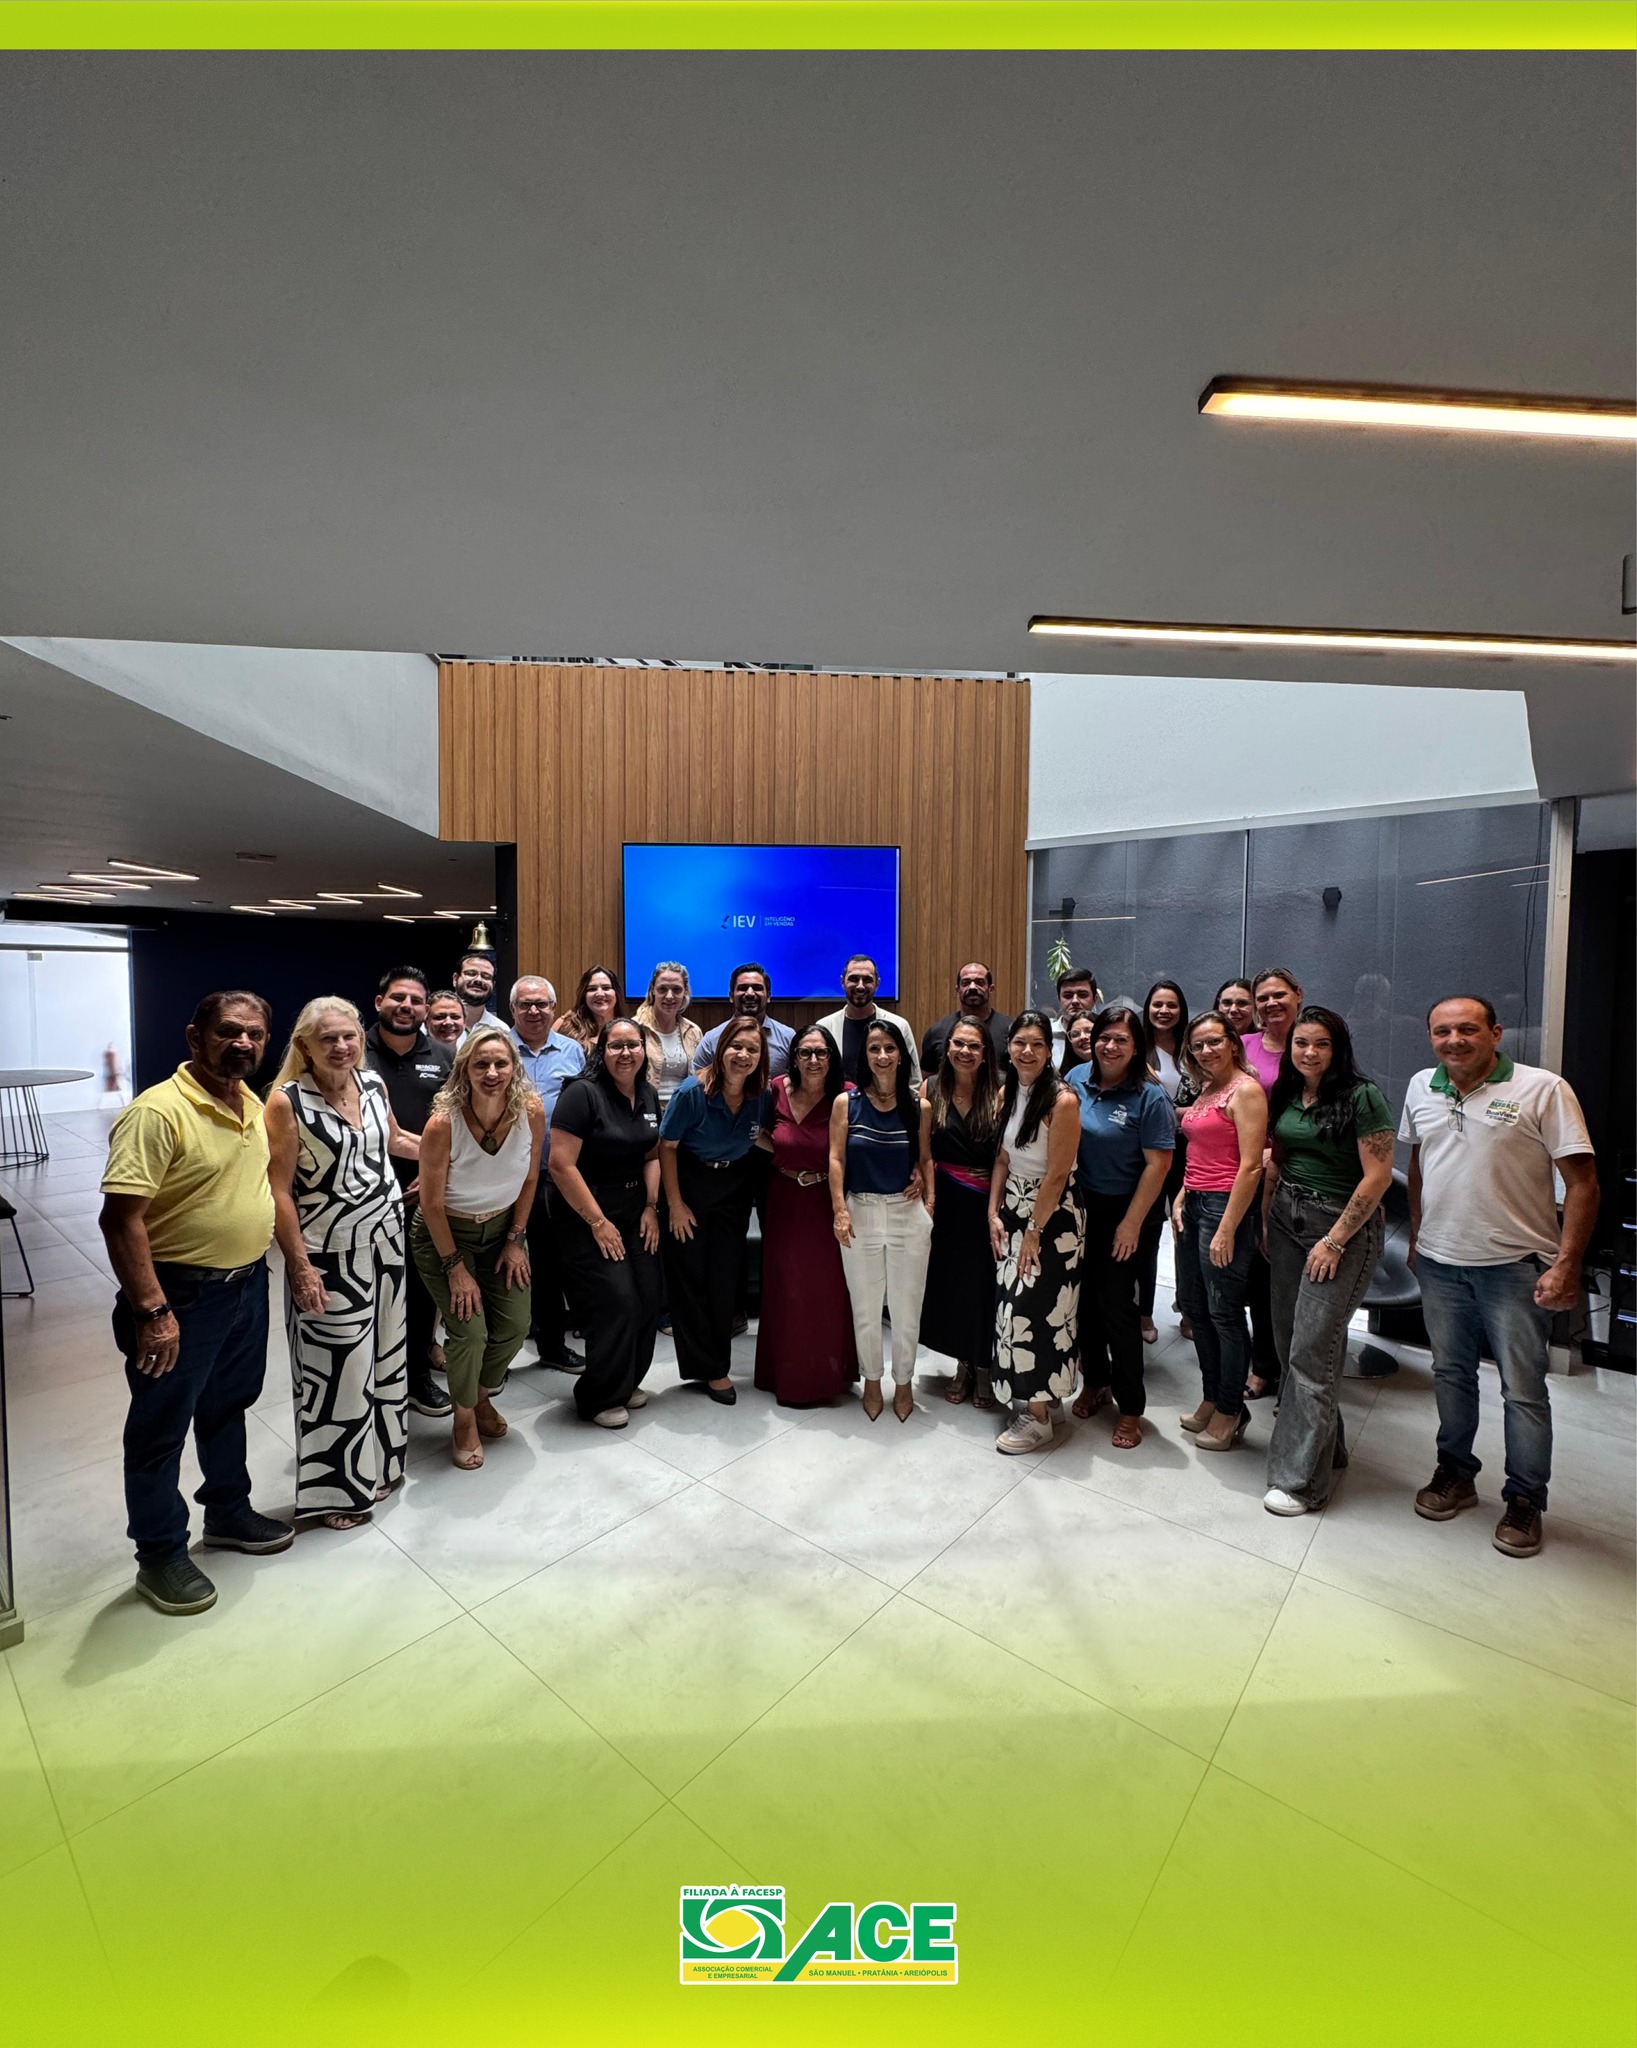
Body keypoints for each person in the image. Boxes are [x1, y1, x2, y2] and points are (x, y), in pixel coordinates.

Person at [98, 991, 293, 1616]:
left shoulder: (252, 1103)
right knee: (160, 1429)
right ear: (194, 1037)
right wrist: (152, 1311)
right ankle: (159, 1554)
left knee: (227, 1406)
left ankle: (228, 1513)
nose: (243, 1043)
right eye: (229, 1031)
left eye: (255, 1034)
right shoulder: (158, 1112)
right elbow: (120, 1219)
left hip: (245, 1286)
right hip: (179, 1296)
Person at [1399, 995, 1599, 1558]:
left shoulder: (1542, 1089)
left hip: (1514, 1267)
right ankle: (1455, 1472)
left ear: (1496, 1033)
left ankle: (1525, 1498)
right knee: (1450, 1374)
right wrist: (1417, 1235)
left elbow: (1583, 1183)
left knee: (1523, 1389)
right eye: (1442, 1031)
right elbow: (1418, 1164)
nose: (1454, 1040)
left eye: (1467, 1029)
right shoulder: (1421, 1086)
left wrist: (1567, 1262)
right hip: (1440, 1262)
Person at [266, 997, 419, 1529]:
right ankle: (339, 1492)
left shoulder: (372, 1085)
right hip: (328, 1255)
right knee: (336, 1375)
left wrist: (457, 1152)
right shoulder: (287, 1102)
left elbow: (395, 1140)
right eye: (328, 1038)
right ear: (304, 1045)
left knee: (387, 1359)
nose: (341, 1046)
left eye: (349, 1035)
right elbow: (278, 1191)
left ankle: (382, 1466)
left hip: (387, 1244)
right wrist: (299, 1266)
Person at [1261, 1006, 1394, 1516]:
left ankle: (1300, 1482)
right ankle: (1328, 1448)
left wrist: (1334, 1241)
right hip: (1286, 1221)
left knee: (1312, 1353)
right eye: (1301, 1043)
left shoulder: (1362, 1096)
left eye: (1321, 1044)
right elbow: (1280, 1159)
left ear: (1337, 1049)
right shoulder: (1288, 1093)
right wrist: (1267, 1220)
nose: (1310, 1052)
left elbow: (1378, 1176)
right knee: (1287, 1342)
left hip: (1340, 1230)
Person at [411, 1030, 544, 1469]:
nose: (491, 1072)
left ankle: (480, 1395)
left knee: (515, 1325)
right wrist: (455, 1267)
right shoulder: (443, 1123)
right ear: (464, 1070)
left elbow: (530, 1178)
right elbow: (431, 1204)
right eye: (480, 1064)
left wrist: (516, 1240)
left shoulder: (531, 1110)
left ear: (514, 1068)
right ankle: (464, 1417)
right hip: (446, 1234)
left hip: (504, 1230)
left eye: (501, 1063)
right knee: (469, 1331)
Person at [1066, 1005, 1175, 1448]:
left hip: (1126, 1212)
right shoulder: (1076, 1079)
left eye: (1121, 1040)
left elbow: (1159, 1165)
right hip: (1079, 1208)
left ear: (1136, 1047)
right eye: (1104, 1037)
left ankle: (1131, 1407)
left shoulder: (1150, 1096)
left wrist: (1131, 1224)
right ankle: (1095, 1382)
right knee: (1083, 1305)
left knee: (1117, 1309)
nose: (1110, 1046)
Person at [549, 1018, 664, 1427]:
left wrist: (651, 1206)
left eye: (633, 1045)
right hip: (586, 1214)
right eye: (616, 1046)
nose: (626, 1053)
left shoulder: (647, 1094)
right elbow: (560, 1165)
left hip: (634, 1210)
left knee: (649, 1296)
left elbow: (652, 1155)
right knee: (617, 1300)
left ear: (644, 1051)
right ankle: (598, 1396)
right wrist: (597, 1222)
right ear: (602, 1051)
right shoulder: (582, 1093)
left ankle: (626, 1381)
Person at [659, 1014, 772, 1404]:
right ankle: (709, 1369)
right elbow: (667, 1147)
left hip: (733, 1189)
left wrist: (797, 1158)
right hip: (690, 1184)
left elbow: (761, 1138)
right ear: (722, 1049)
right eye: (736, 1046)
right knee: (690, 1280)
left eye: (752, 1049)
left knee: (724, 1281)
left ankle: (715, 1364)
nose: (743, 1055)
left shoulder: (761, 1095)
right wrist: (675, 1205)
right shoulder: (692, 1092)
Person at [987, 1010, 1084, 1453]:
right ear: (1009, 1047)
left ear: (1050, 1051)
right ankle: (1045, 1399)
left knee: (1038, 1308)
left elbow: (1058, 1174)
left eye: (1037, 1044)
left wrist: (1034, 1231)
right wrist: (993, 1212)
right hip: (1014, 1206)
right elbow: (1003, 1159)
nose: (1027, 1051)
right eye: (1020, 1042)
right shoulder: (1008, 1092)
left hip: (1053, 1215)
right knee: (1012, 1307)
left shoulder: (1062, 1101)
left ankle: (1040, 1417)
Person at [1173, 1010, 1268, 1454]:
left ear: (1233, 1041)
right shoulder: (1208, 1088)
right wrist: (1180, 1196)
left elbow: (1250, 1166)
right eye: (1197, 1045)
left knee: (1224, 1312)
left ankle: (1232, 1409)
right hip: (1194, 1203)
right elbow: (1198, 1152)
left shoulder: (1246, 1090)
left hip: (1225, 1208)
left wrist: (1227, 1228)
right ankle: (1212, 1396)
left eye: (1214, 1041)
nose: (1206, 1050)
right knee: (1195, 1307)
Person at [830, 1019, 933, 1421]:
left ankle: (903, 1382)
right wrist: (839, 1210)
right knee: (866, 1307)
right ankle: (872, 1381)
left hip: (907, 1212)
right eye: (874, 1048)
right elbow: (836, 1159)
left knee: (908, 1308)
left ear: (901, 1055)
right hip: (861, 1211)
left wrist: (929, 1201)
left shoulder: (918, 1106)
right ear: (865, 1056)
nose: (883, 1055)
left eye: (890, 1048)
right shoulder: (847, 1103)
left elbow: (925, 1158)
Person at [363, 964, 453, 1419]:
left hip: (426, 1193)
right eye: (398, 998)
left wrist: (436, 1172)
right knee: (369, 1291)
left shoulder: (443, 1055)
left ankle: (416, 1376)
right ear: (379, 1002)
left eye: (417, 1001)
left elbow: (459, 1123)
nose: (407, 1007)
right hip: (363, 1195)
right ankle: (368, 1382)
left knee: (421, 1289)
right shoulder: (354, 1051)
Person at [755, 1026, 858, 1405]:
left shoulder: (847, 1095)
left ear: (832, 1057)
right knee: (786, 1288)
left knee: (826, 1290)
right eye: (805, 1052)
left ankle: (827, 1375)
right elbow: (755, 1131)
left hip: (827, 1202)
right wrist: (785, 1152)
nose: (813, 1060)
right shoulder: (775, 1090)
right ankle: (785, 1375)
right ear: (794, 1057)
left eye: (821, 1052)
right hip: (784, 1199)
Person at [919, 1019, 1002, 1409]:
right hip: (945, 1203)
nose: (965, 1052)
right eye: (958, 1044)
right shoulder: (931, 1088)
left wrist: (995, 1206)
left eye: (974, 1046)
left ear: (985, 1053)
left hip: (989, 1204)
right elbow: (922, 1150)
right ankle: (963, 1365)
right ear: (947, 1047)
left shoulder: (1001, 1089)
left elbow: (1006, 1155)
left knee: (985, 1285)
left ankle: (985, 1365)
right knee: (952, 1285)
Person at [509, 976, 586, 1370]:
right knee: (500, 1261)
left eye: (541, 1004)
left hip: (555, 1176)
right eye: (525, 1004)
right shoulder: (496, 1048)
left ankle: (552, 1345)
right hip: (505, 1178)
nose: (534, 1011)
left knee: (550, 1264)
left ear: (554, 1009)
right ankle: (497, 1354)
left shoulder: (573, 1052)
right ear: (513, 1009)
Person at [1139, 978, 1191, 1344]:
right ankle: (1144, 1313)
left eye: (1171, 1004)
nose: (1164, 1011)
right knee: (1148, 1233)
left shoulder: (1194, 1048)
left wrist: (1175, 1114)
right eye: (1157, 1004)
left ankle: (1188, 1308)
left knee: (1186, 1231)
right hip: (1148, 1152)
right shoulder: (1137, 1048)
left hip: (1190, 1151)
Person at [813, 953, 921, 1086]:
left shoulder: (899, 1025)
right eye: (854, 979)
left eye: (867, 980)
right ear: (842, 982)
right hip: (838, 1099)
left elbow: (914, 1081)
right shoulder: (824, 1027)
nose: (860, 986)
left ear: (877, 983)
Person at [691, 962, 797, 1079]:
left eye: (757, 988)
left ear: (768, 996)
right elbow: (696, 1083)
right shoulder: (711, 1040)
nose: (750, 993)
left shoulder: (788, 1038)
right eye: (743, 988)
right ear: (731, 996)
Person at [633, 961, 703, 1108]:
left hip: (683, 1110)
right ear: (652, 989)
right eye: (662, 989)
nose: (669, 996)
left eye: (677, 990)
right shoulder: (634, 1028)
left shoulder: (693, 1032)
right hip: (644, 1109)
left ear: (685, 992)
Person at [921, 961, 1012, 1073]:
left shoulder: (1011, 1030)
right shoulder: (936, 1032)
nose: (972, 987)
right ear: (957, 989)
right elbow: (929, 1079)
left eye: (980, 982)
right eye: (966, 983)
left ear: (991, 988)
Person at [1247, 968, 1303, 1092]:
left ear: (1298, 995)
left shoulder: (1315, 1046)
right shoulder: (1242, 1045)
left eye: (1279, 995)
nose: (1271, 1003)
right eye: (1263, 999)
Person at [558, 964, 626, 1051]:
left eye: (606, 988)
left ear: (616, 993)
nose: (600, 994)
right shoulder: (564, 1024)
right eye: (592, 989)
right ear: (584, 995)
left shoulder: (628, 1028)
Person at [1049, 966, 1100, 1070]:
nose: (1075, 1001)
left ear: (1095, 999)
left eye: (1082, 995)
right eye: (1068, 996)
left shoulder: (1106, 1035)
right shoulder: (1046, 1034)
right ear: (1059, 1000)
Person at [452, 952, 504, 1039]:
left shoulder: (501, 1030)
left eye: (486, 976)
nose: (478, 980)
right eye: (471, 973)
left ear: (493, 985)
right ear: (455, 979)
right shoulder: (433, 1022)